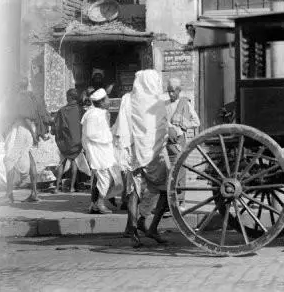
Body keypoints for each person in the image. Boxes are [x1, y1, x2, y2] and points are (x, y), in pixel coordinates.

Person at [114, 69, 170, 246]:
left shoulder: (128, 99)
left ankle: (134, 230)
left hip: (136, 153)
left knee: (134, 193)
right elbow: (162, 127)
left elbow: (123, 127)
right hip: (155, 154)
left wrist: (125, 150)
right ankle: (150, 226)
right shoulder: (158, 101)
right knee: (166, 191)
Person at [3, 78, 50, 203]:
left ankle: (9, 193)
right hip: (29, 130)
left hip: (23, 129)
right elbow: (41, 114)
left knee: (9, 159)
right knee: (31, 160)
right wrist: (37, 132)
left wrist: (34, 135)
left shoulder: (20, 97)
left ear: (17, 85)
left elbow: (26, 117)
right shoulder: (32, 96)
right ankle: (34, 193)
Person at [82, 89, 123, 214]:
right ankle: (100, 203)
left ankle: (95, 205)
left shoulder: (98, 112)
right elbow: (91, 133)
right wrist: (109, 137)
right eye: (106, 99)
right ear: (101, 102)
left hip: (103, 150)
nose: (108, 101)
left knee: (102, 178)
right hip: (98, 151)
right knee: (106, 177)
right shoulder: (95, 114)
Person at [165, 78, 200, 207]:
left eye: (173, 91)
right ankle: (171, 200)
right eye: (168, 91)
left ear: (179, 91)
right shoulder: (165, 105)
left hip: (180, 140)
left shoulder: (185, 104)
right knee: (169, 172)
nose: (170, 94)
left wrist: (184, 124)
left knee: (180, 170)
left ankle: (181, 201)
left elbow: (197, 122)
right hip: (167, 142)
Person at [51, 89, 84, 194]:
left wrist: (55, 133)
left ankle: (57, 188)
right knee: (74, 161)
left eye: (67, 96)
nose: (66, 98)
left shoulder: (62, 111)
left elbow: (57, 126)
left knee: (62, 162)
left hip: (65, 141)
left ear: (70, 97)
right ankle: (72, 188)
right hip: (77, 140)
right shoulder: (80, 110)